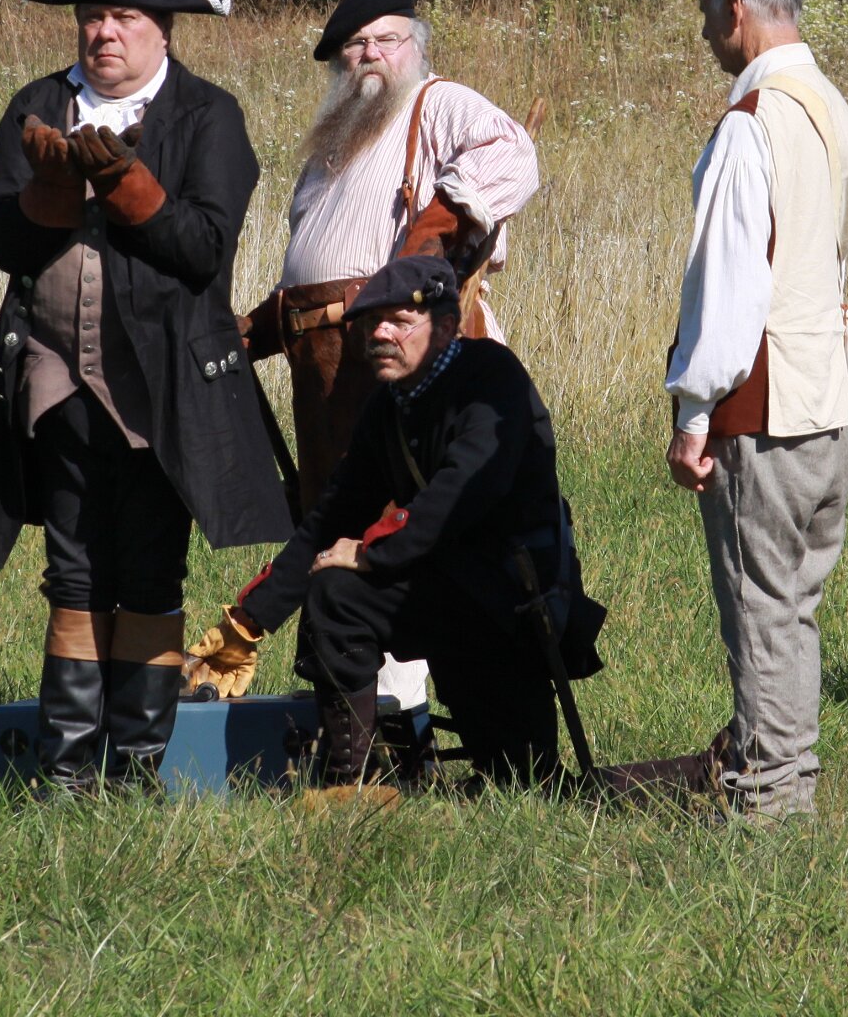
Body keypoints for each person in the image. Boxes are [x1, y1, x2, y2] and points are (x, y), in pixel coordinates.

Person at [0, 0, 292, 790]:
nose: (105, 32)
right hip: (53, 376)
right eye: (94, 16)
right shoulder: (37, 103)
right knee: (73, 570)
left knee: (149, 569)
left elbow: (202, 250)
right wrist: (50, 196)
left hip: (165, 385)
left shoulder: (206, 115)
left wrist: (129, 190)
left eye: (126, 18)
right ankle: (66, 773)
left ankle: (135, 769)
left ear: (162, 30)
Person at [612, 0, 848, 822]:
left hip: (758, 404)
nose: (702, 34)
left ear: (734, 10)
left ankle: (767, 802)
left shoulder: (752, 121)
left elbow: (728, 284)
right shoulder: (832, 108)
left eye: (704, 15)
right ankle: (782, 786)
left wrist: (693, 414)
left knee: (760, 613)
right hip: (824, 398)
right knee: (790, 609)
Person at [185, 255, 605, 797]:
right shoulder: (392, 403)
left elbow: (461, 493)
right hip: (444, 593)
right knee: (337, 594)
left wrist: (369, 551)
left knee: (524, 784)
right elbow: (333, 515)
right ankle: (347, 785)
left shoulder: (491, 379)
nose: (380, 334)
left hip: (507, 607)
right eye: (372, 322)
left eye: (399, 322)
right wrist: (248, 620)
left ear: (446, 326)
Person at [239, 0, 540, 711]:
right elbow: (313, 267)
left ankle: (398, 720)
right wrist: (256, 329)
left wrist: (433, 233)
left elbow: (512, 153)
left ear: (416, 47)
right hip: (322, 370)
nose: (371, 53)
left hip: (400, 352)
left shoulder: (438, 104)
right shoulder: (332, 144)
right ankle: (345, 709)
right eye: (356, 44)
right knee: (333, 525)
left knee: (389, 526)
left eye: (387, 39)